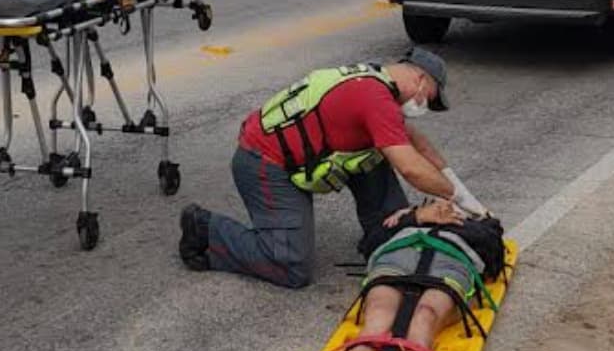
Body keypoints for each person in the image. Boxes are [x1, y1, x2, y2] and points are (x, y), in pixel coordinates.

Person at [178, 47, 463, 288]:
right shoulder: (375, 98)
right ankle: (207, 230)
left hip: (300, 155)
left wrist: (465, 196)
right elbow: (411, 168)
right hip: (264, 163)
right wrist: (453, 196)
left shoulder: (377, 84)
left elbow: (421, 147)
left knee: (377, 168)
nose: (426, 105)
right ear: (420, 78)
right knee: (291, 266)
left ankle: (382, 236)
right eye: (430, 98)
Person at [328, 198, 505, 351]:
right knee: (379, 310)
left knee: (426, 314)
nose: (443, 205)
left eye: (450, 204)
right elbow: (368, 244)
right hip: (396, 255)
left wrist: (468, 222)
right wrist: (413, 217)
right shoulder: (403, 218)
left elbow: (494, 253)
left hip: (450, 260)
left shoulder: (474, 225)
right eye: (437, 202)